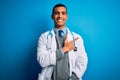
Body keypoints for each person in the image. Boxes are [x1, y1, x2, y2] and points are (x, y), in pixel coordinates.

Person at [37, 3, 88, 80]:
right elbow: (42, 61)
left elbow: (82, 61)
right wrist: (64, 49)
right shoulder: (44, 37)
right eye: (57, 13)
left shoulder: (77, 38)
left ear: (66, 16)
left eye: (63, 13)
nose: (60, 16)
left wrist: (73, 78)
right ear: (52, 16)